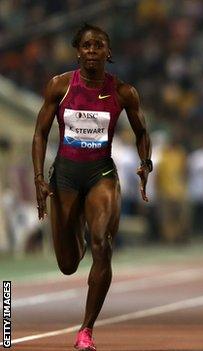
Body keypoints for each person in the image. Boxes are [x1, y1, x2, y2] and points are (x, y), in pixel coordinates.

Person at [31, 23, 151, 351]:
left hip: (101, 174)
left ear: (108, 53)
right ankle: (79, 229)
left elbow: (141, 132)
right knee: (68, 264)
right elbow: (40, 133)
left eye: (99, 46)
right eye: (86, 46)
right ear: (78, 52)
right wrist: (39, 178)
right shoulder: (59, 86)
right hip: (66, 177)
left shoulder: (124, 91)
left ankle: (86, 329)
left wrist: (146, 163)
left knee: (104, 244)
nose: (92, 51)